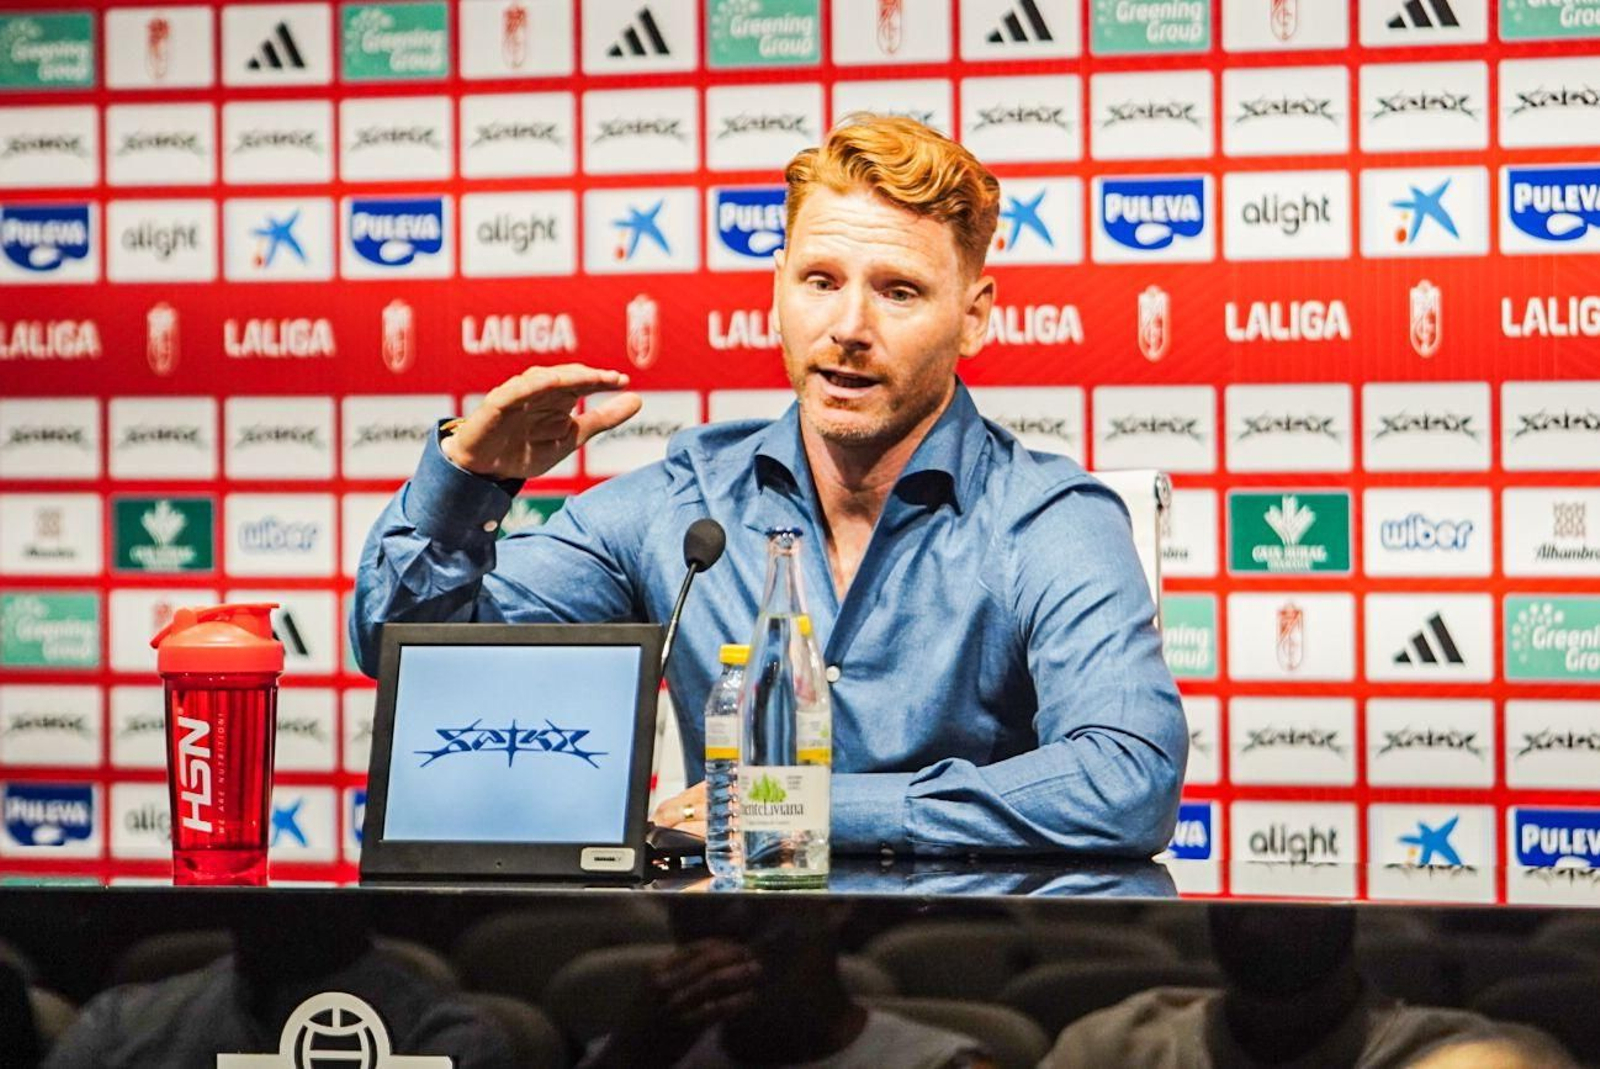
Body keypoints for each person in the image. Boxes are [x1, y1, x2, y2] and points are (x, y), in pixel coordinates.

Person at [351, 113, 1187, 856]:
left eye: (898, 291)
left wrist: (796, 808)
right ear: (776, 287)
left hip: (963, 954)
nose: (849, 327)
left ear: (973, 315)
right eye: (820, 281)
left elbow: (1127, 778)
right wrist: (467, 482)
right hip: (731, 955)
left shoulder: (1048, 519)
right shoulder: (683, 507)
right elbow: (407, 655)